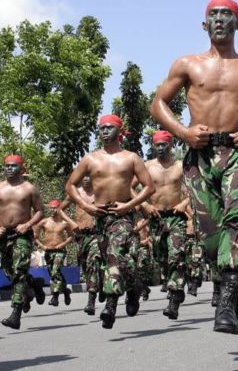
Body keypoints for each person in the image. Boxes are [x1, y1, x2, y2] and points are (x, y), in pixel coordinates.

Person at [151, 0, 238, 334]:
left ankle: (225, 305)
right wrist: (184, 132)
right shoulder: (187, 64)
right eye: (213, 14)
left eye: (226, 15)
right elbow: (158, 104)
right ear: (204, 24)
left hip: (237, 154)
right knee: (209, 236)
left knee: (237, 220)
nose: (219, 19)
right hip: (199, 156)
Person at [65, 114, 155, 329]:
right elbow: (70, 185)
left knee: (115, 257)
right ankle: (134, 288)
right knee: (117, 261)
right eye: (102, 128)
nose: (104, 131)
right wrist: (86, 206)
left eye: (109, 127)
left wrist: (129, 206)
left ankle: (111, 306)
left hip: (122, 214)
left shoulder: (131, 158)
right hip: (100, 218)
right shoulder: (90, 159)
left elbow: (149, 187)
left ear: (119, 131)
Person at [0, 155, 45, 330]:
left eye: (13, 166)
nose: (9, 169)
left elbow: (40, 211)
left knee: (20, 271)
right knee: (10, 271)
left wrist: (27, 225)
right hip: (4, 236)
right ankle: (34, 284)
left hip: (22, 235)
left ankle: (15, 313)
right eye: (7, 166)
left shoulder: (29, 189)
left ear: (22, 169)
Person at [138, 130, 190, 320]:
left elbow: (197, 185)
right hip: (156, 218)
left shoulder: (180, 166)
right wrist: (145, 204)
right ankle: (175, 284)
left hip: (176, 217)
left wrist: (185, 203)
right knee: (161, 257)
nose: (160, 148)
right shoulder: (147, 166)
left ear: (171, 145)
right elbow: (130, 187)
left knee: (176, 255)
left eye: (163, 145)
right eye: (157, 145)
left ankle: (174, 299)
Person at [60, 176, 102, 316]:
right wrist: (71, 223)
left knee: (93, 262)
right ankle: (100, 285)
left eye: (89, 176)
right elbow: (60, 210)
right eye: (83, 176)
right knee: (85, 265)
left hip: (97, 234)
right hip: (81, 237)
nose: (85, 179)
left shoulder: (100, 191)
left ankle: (91, 301)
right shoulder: (75, 193)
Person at [34, 199, 73, 307]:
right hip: (48, 251)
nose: (53, 210)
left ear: (59, 209)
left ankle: (55, 297)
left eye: (55, 208)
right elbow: (35, 237)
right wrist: (42, 246)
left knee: (55, 270)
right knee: (53, 273)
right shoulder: (44, 222)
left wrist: (63, 244)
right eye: (51, 207)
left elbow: (71, 236)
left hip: (60, 251)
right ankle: (65, 291)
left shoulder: (64, 223)